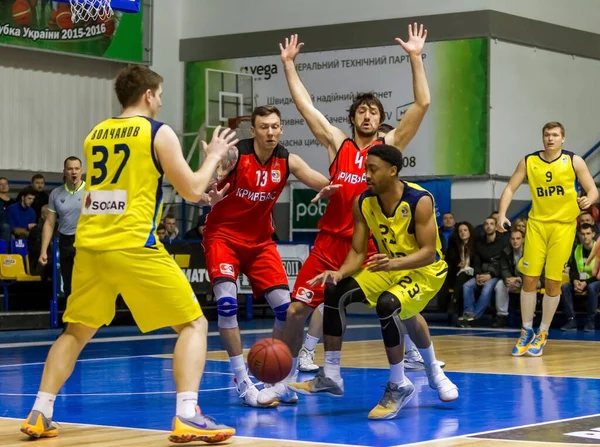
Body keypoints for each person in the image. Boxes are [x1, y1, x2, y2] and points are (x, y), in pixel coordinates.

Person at [20, 65, 236, 443]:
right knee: (193, 324)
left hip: (90, 247)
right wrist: (215, 156)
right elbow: (189, 189)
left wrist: (201, 193)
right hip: (134, 245)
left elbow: (121, 189)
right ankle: (188, 414)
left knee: (75, 332)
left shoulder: (94, 134)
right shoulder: (157, 131)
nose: (162, 100)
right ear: (149, 95)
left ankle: (41, 411)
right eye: (160, 94)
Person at [277, 24, 433, 386]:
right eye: (361, 110)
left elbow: (422, 104)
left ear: (381, 120)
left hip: (374, 245)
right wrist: (288, 65)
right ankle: (283, 381)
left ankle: (430, 366)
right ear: (352, 118)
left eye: (373, 111)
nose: (367, 115)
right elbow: (306, 107)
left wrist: (415, 57)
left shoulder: (388, 147)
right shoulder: (339, 145)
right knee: (298, 309)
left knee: (405, 310)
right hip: (331, 242)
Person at [288, 145, 458, 420]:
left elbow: (428, 252)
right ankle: (331, 374)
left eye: (372, 169)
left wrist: (395, 263)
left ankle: (398, 384)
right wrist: (340, 273)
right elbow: (357, 251)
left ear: (393, 171)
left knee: (387, 304)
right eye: (365, 168)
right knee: (334, 290)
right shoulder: (363, 201)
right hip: (388, 266)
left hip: (425, 272)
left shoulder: (419, 200)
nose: (365, 174)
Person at [202, 104, 337, 408]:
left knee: (286, 312)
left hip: (261, 242)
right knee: (226, 303)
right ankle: (241, 381)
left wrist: (338, 187)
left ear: (281, 129)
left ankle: (275, 380)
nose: (271, 131)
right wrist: (207, 186)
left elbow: (320, 181)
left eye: (275, 126)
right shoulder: (236, 155)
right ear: (253, 131)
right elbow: (202, 185)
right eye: (264, 127)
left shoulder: (287, 160)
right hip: (223, 237)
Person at [497, 121, 598, 356]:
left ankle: (543, 332)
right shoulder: (529, 161)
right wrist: (502, 213)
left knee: (553, 282)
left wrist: (588, 200)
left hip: (563, 228)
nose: (550, 138)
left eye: (555, 135)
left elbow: (593, 190)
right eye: (546, 135)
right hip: (537, 226)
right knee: (529, 279)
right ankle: (526, 331)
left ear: (563, 139)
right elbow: (510, 188)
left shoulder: (574, 161)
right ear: (542, 138)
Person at [39, 157, 86, 301]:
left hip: (86, 240)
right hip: (66, 241)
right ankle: (71, 320)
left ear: (81, 171)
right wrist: (43, 251)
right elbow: (50, 223)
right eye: (70, 169)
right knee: (68, 284)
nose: (74, 172)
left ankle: (87, 320)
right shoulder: (55, 194)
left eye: (77, 169)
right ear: (64, 171)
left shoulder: (91, 190)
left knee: (86, 282)